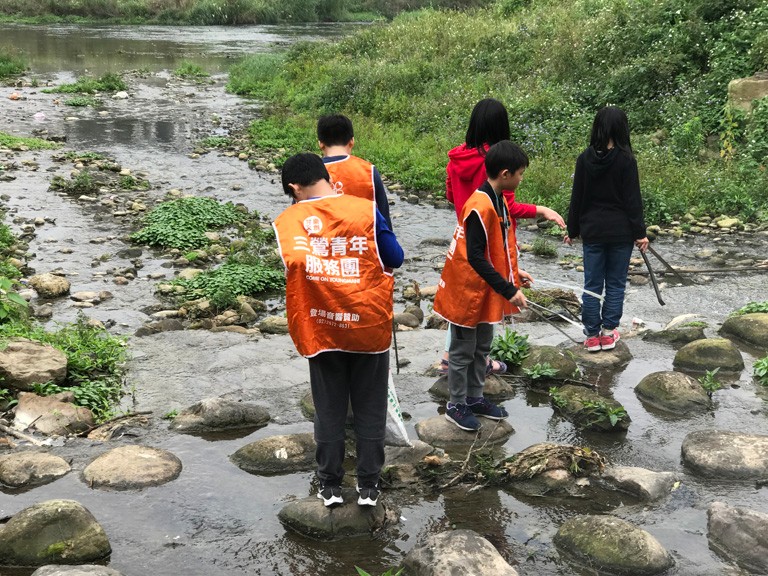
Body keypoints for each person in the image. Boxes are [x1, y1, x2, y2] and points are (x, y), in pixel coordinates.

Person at [273, 153, 404, 507]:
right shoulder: (364, 209)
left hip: (322, 326)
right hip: (367, 323)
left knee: (329, 408)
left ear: (294, 188)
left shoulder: (289, 220)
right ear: (324, 176)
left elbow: (294, 264)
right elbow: (394, 257)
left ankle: (329, 485)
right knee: (370, 407)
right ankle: (368, 487)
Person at [439, 98, 565, 375]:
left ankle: (452, 355)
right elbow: (508, 208)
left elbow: (450, 195)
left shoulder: (456, 159)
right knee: (488, 298)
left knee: (464, 299)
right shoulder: (498, 165)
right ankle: (477, 361)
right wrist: (541, 210)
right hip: (494, 238)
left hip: (465, 235)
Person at [433, 140, 529, 432]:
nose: (521, 179)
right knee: (462, 351)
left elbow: (495, 248)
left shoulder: (497, 198)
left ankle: (475, 398)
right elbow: (474, 256)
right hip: (466, 291)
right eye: (520, 174)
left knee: (482, 345)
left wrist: (515, 273)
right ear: (504, 174)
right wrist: (509, 289)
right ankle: (456, 404)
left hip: (485, 289)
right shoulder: (479, 205)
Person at [564, 106, 649, 352]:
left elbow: (577, 197)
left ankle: (591, 336)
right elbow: (633, 200)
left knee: (591, 283)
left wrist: (572, 229)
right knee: (615, 283)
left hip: (592, 231)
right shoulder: (626, 159)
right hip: (620, 232)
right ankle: (609, 332)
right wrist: (640, 233)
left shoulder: (585, 158)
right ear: (622, 128)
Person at [317, 114, 393, 229]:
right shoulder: (369, 171)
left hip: (324, 244)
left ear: (320, 144)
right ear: (352, 141)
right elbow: (384, 220)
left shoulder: (310, 172)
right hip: (362, 243)